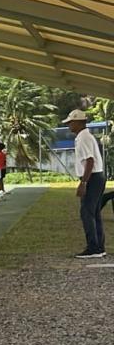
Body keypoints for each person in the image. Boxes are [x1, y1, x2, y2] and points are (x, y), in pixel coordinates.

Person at [62, 110, 107, 258]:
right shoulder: (85, 136)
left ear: (79, 122)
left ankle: (93, 248)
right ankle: (99, 247)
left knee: (86, 212)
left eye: (70, 122)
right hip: (97, 176)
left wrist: (83, 183)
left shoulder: (83, 138)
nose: (69, 125)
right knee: (94, 213)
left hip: (92, 177)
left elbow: (90, 160)